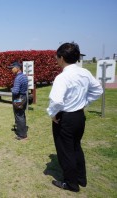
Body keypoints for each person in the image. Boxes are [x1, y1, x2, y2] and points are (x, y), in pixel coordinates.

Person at [47, 42, 103, 192]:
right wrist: (85, 102)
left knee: (66, 151)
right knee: (76, 147)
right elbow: (98, 90)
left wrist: (52, 115)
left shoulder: (62, 77)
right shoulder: (84, 72)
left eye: (57, 57)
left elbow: (57, 100)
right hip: (79, 116)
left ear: (62, 57)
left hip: (65, 118)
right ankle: (81, 178)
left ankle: (71, 184)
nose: (56, 60)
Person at [10, 62, 28, 140]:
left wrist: (12, 89)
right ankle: (22, 130)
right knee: (22, 114)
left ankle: (22, 135)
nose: (11, 70)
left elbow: (15, 91)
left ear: (17, 68)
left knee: (18, 115)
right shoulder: (24, 76)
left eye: (12, 68)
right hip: (24, 97)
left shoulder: (17, 78)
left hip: (18, 98)